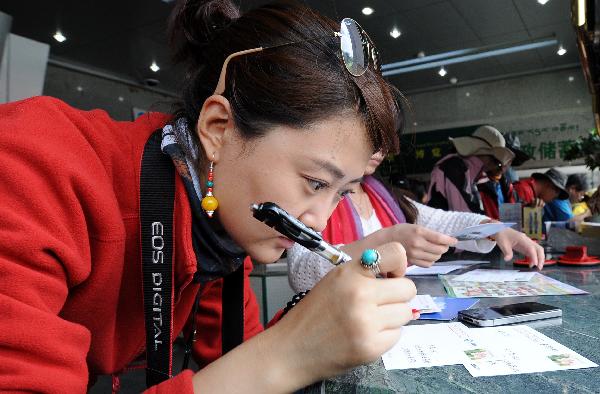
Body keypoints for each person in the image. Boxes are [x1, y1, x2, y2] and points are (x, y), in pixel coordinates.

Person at [0, 1, 419, 392]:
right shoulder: (30, 164)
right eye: (314, 182)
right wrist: (290, 353)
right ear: (218, 129)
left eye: (343, 193)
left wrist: (322, 325)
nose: (320, 222)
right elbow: (265, 364)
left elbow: (240, 358)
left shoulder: (218, 227)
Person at [287, 151, 546, 293]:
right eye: (370, 133)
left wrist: (493, 228)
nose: (380, 148)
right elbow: (302, 272)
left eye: (385, 137)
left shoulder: (385, 196)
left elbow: (443, 221)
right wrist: (386, 242)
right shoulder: (315, 196)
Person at [427, 125, 515, 214]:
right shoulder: (455, 167)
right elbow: (466, 214)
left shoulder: (466, 171)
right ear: (484, 154)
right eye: (495, 161)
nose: (495, 166)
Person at [477, 133, 532, 219]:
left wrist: (531, 208)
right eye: (501, 157)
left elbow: (517, 211)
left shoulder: (506, 185)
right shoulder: (475, 183)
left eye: (509, 160)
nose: (504, 163)